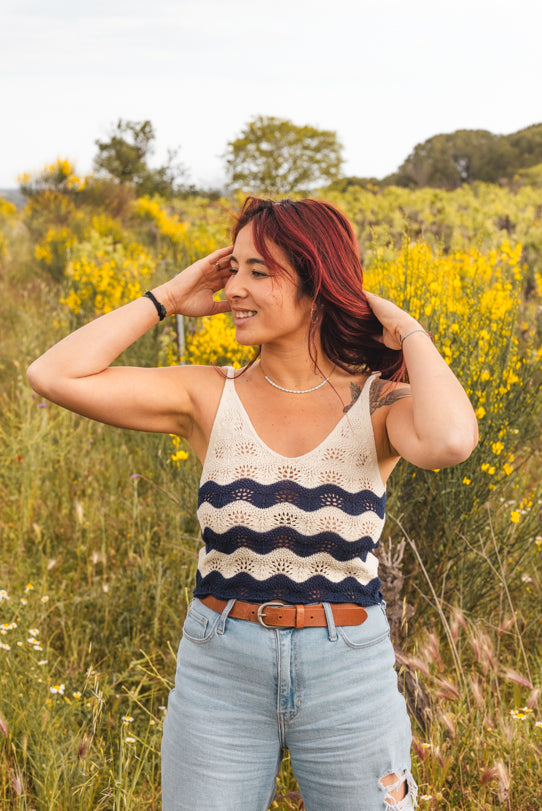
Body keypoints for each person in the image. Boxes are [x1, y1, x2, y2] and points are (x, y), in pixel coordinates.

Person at [27, 196, 478, 810]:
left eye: (258, 272)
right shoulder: (207, 395)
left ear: (319, 284)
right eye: (231, 268)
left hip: (349, 670)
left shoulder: (379, 405)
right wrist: (167, 297)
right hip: (219, 668)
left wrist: (408, 331)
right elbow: (53, 375)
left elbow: (451, 440)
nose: (233, 288)